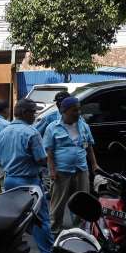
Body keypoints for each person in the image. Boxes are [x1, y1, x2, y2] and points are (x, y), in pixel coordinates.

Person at [0, 99, 54, 253]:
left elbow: (0, 158)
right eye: (33, 112)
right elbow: (41, 159)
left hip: (10, 181)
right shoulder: (31, 133)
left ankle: (15, 250)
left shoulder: (4, 132)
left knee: (16, 219)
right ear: (25, 113)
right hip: (29, 183)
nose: (35, 115)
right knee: (41, 220)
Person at [43, 97, 100, 233]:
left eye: (79, 109)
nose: (78, 112)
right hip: (61, 171)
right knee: (58, 203)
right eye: (75, 110)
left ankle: (80, 230)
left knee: (82, 201)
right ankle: (55, 229)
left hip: (81, 169)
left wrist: (94, 165)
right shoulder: (53, 128)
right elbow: (49, 152)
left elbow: (89, 147)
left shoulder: (83, 125)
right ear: (65, 111)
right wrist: (52, 170)